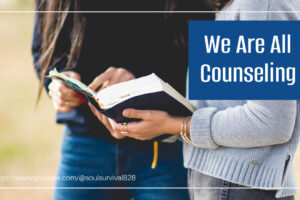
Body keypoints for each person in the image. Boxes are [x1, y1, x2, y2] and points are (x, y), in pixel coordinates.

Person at [100, 0, 300, 199]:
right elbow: (219, 104)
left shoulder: (262, 4)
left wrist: (178, 125)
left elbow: (271, 121)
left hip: (238, 187)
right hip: (215, 181)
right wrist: (161, 122)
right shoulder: (233, 6)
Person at [32, 0, 215, 199]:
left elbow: (206, 49)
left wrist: (141, 81)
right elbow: (43, 46)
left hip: (164, 144)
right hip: (84, 141)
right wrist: (59, 80)